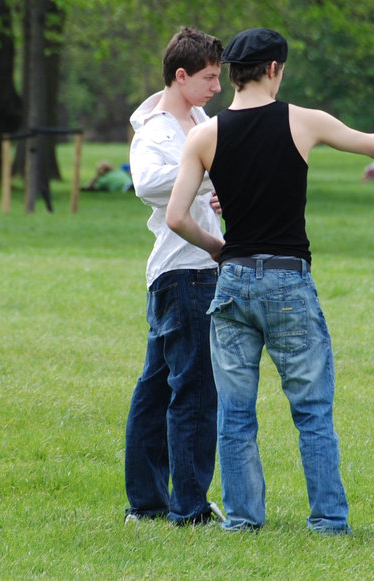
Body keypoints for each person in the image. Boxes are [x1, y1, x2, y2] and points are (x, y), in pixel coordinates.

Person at [165, 27, 374, 535]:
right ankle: (329, 520)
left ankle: (244, 519)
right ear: (274, 69)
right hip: (288, 284)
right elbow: (373, 145)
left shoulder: (204, 135)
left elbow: (178, 217)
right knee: (312, 411)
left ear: (231, 74)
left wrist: (219, 249)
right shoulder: (301, 121)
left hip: (231, 286)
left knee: (235, 413)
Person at [123, 26, 226, 527]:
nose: (217, 87)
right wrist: (207, 172)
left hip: (182, 270)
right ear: (180, 75)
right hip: (186, 271)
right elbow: (146, 183)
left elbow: (195, 185)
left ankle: (146, 505)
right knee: (194, 391)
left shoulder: (198, 118)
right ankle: (189, 509)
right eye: (208, 78)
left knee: (157, 387)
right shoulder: (158, 129)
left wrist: (213, 190)